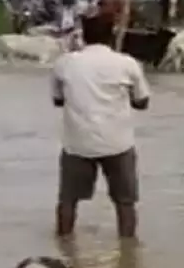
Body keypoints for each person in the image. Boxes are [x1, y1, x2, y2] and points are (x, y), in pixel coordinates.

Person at [50, 15, 150, 239]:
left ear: (83, 36)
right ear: (112, 34)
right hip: (118, 143)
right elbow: (142, 102)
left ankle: (64, 248)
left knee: (68, 200)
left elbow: (57, 100)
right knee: (125, 203)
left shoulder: (64, 63)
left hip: (78, 144)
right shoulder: (127, 63)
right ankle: (127, 253)